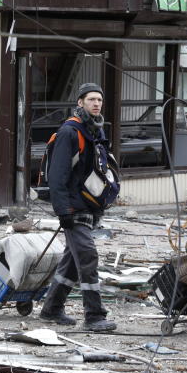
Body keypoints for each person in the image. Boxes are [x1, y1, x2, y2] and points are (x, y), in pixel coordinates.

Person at [39, 83, 117, 332]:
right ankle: (94, 316)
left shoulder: (94, 131)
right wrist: (63, 212)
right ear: (80, 102)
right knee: (87, 256)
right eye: (92, 99)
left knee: (73, 261)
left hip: (88, 208)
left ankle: (51, 309)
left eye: (99, 100)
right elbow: (57, 176)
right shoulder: (69, 133)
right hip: (73, 209)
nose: (97, 104)